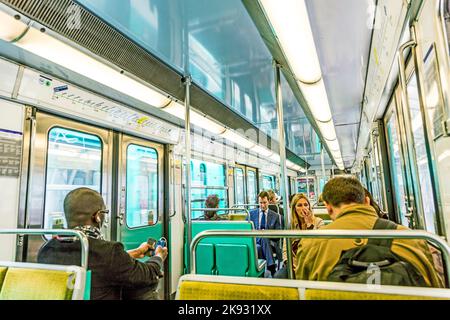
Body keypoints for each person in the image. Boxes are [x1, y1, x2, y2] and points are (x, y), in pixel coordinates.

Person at [294, 177, 443, 287]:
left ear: (328, 207)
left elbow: (304, 290)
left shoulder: (311, 243)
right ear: (367, 201)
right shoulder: (413, 238)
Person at [38, 187, 169, 300]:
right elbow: (146, 274)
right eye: (105, 213)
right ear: (98, 216)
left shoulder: (47, 249)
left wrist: (133, 253)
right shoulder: (108, 252)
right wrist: (158, 256)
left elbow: (96, 264)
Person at [275, 193, 324, 278]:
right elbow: (285, 249)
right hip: (295, 263)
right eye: (299, 205)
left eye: (306, 205)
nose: (303, 208)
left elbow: (319, 246)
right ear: (294, 209)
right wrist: (289, 264)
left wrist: (309, 226)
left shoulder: (318, 222)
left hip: (313, 263)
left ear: (309, 207)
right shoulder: (291, 226)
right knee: (278, 276)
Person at [249, 191, 282, 276]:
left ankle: (262, 271)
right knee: (258, 246)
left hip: (271, 242)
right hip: (255, 240)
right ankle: (271, 267)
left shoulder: (275, 216)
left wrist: (266, 234)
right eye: (260, 203)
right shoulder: (251, 214)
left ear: (268, 202)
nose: (262, 205)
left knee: (263, 238)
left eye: (264, 202)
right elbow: (247, 231)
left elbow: (278, 236)